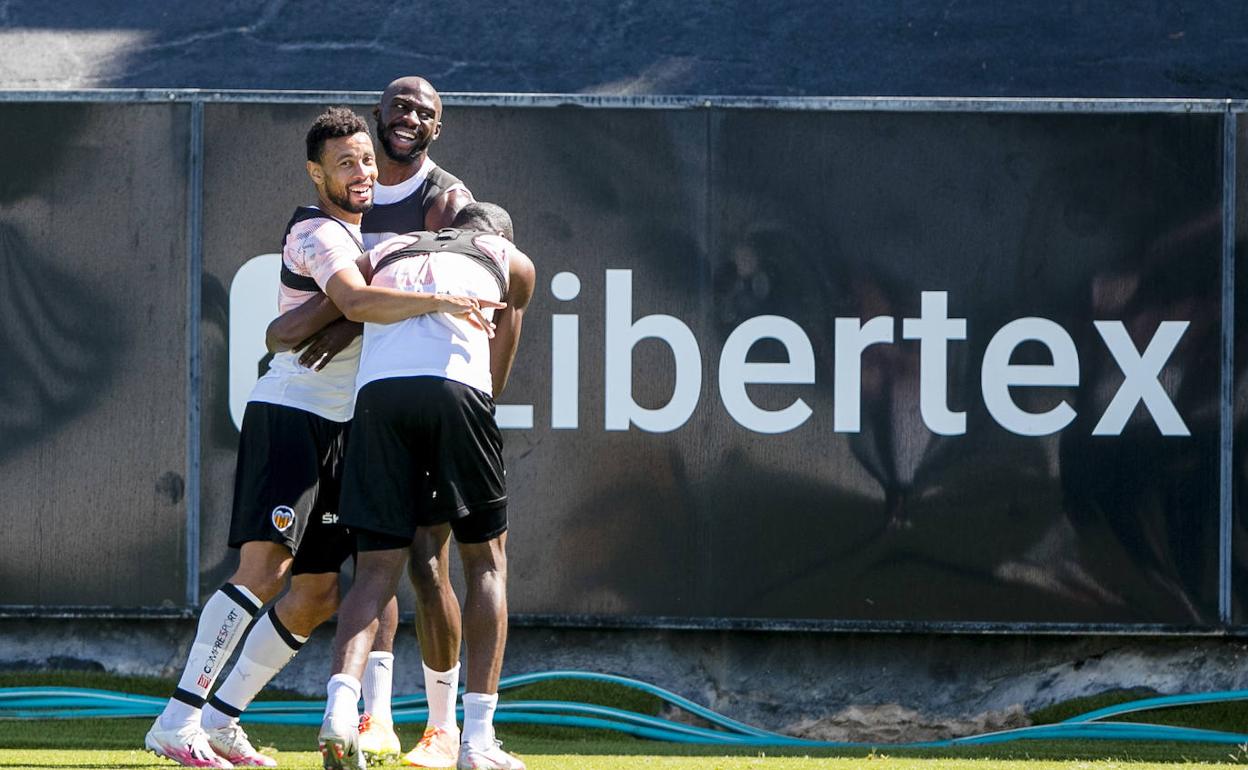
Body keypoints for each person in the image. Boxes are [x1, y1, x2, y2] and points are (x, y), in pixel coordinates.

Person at [144, 106, 495, 769]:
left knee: (316, 593)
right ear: (316, 174)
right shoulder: (319, 230)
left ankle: (220, 722)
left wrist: (305, 323)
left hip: (346, 430)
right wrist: (438, 301)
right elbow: (357, 303)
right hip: (292, 416)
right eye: (345, 163)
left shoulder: (376, 239)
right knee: (264, 571)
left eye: (366, 160)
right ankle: (176, 719)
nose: (361, 172)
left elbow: (315, 321)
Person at [271, 76, 477, 764]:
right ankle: (374, 718)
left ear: (437, 129)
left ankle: (443, 728)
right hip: (358, 404)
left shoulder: (444, 198)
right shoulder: (349, 194)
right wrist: (339, 316)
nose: (408, 119)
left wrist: (346, 318)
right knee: (373, 559)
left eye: (424, 111)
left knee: (428, 561)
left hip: (428, 397)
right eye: (398, 107)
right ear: (377, 116)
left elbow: (475, 274)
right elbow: (321, 308)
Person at [316, 202, 535, 770]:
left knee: (374, 572)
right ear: (498, 238)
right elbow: (497, 367)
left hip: (380, 397)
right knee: (487, 563)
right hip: (457, 388)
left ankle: (341, 710)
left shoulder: (387, 248)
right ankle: (477, 741)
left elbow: (344, 303)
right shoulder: (510, 259)